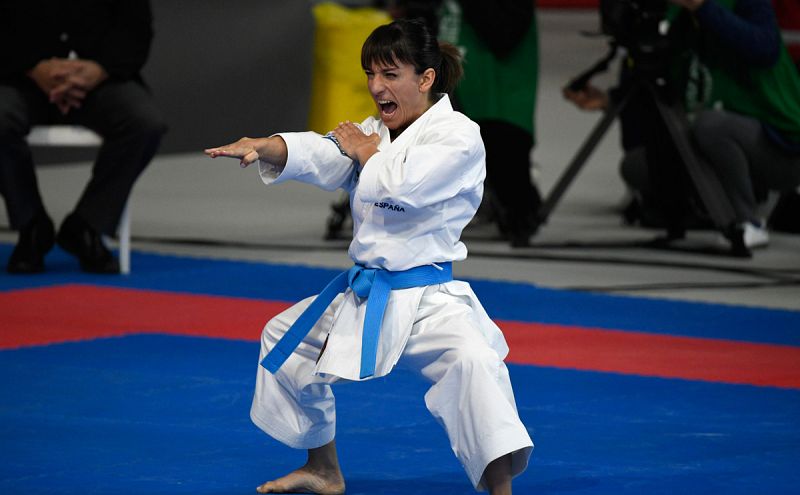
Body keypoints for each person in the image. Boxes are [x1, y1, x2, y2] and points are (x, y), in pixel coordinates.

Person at [205, 19, 533, 495]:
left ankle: (501, 491)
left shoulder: (458, 136)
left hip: (428, 299)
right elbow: (323, 152)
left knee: (475, 365)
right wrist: (266, 145)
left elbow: (405, 188)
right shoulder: (375, 132)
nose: (377, 87)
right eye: (370, 74)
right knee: (284, 341)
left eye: (390, 74)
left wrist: (364, 153)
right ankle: (323, 468)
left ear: (426, 78)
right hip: (366, 293)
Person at [564, 0, 800, 253]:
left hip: (782, 146)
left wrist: (702, 7)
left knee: (711, 127)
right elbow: (665, 88)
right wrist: (610, 100)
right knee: (640, 165)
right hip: (732, 141)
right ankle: (709, 208)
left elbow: (765, 49)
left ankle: (746, 220)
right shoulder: (679, 20)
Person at [0, 0, 167, 274]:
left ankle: (87, 225)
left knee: (145, 123)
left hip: (101, 81)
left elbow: (136, 28)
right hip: (23, 78)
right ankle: (31, 226)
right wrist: (34, 67)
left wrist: (98, 70)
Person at [438, 0, 542, 247]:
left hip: (497, 86)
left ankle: (515, 208)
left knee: (503, 152)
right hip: (463, 77)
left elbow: (505, 35)